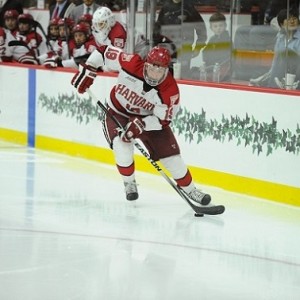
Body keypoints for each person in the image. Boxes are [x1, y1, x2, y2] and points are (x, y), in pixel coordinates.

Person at [70, 45, 212, 205]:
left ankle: (191, 190)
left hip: (149, 120)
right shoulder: (131, 63)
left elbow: (163, 120)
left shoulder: (169, 90)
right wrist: (89, 68)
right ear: (146, 64)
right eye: (152, 68)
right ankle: (129, 183)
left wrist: (142, 124)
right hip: (118, 112)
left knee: (172, 158)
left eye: (160, 71)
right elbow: (103, 51)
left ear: (166, 70)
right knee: (122, 147)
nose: (155, 74)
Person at [157, 0, 207, 79]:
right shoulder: (165, 8)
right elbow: (158, 30)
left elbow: (201, 29)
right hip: (168, 50)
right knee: (166, 77)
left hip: (185, 49)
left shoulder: (189, 7)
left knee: (183, 77)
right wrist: (156, 48)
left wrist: (198, 47)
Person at [267, 8, 300, 89]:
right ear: (281, 24)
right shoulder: (280, 37)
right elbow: (275, 62)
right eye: (288, 19)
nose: (292, 21)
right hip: (282, 75)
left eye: (294, 19)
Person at [201, 12, 231, 81]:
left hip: (222, 71)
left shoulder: (228, 40)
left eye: (221, 26)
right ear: (211, 28)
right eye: (215, 26)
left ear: (225, 25)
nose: (218, 28)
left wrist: (214, 66)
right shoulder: (212, 39)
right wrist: (205, 65)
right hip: (211, 68)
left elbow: (227, 59)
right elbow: (205, 52)